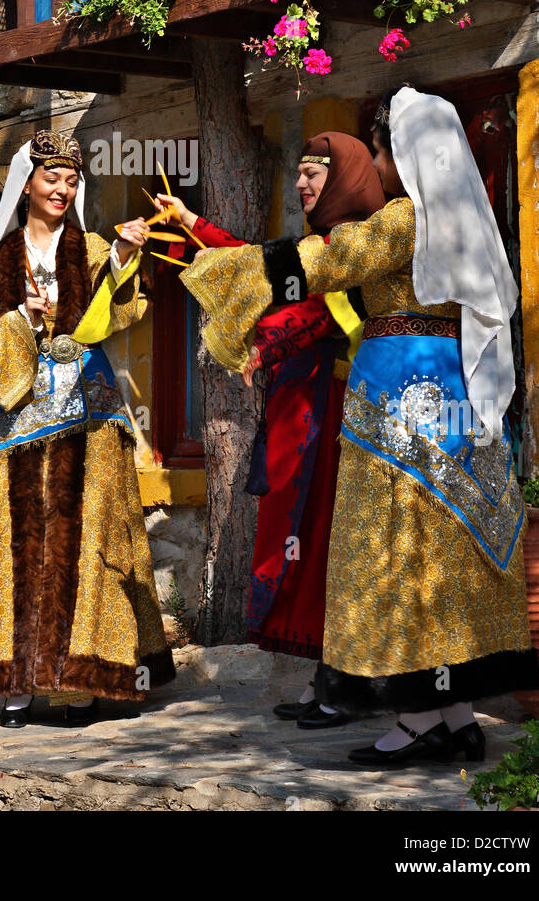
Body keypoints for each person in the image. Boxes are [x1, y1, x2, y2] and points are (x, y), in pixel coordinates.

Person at [181, 88, 538, 766]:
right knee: (445, 552)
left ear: (406, 152)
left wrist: (231, 272)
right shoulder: (467, 216)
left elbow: (328, 262)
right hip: (456, 388)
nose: (378, 161)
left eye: (381, 147)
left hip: (398, 395)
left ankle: (413, 724)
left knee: (390, 547)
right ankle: (457, 716)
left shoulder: (407, 218)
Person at [155, 131, 384, 728]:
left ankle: (349, 685)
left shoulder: (360, 248)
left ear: (346, 180)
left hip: (336, 419)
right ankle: (325, 679)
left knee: (330, 546)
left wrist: (261, 336)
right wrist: (191, 224)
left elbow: (304, 308)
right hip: (299, 412)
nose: (303, 185)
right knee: (304, 547)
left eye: (315, 175)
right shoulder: (316, 248)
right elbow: (254, 265)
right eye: (301, 173)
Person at [0, 130, 173, 728]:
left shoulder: (93, 246)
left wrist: (126, 257)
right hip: (21, 420)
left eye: (73, 181)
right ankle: (18, 684)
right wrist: (20, 318)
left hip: (91, 417)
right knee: (22, 547)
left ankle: (86, 679)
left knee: (92, 542)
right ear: (26, 185)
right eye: (53, 179)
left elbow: (127, 303)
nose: (63, 190)